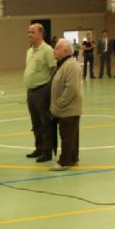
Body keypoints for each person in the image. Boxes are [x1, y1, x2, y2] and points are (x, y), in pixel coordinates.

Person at [24, 23, 56, 163]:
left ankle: (47, 152)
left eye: (32, 32)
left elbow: (54, 70)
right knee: (36, 123)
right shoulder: (30, 51)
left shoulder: (47, 50)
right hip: (31, 91)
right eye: (29, 32)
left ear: (40, 34)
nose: (29, 34)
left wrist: (49, 90)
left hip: (42, 91)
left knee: (45, 123)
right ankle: (39, 148)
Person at [49, 39, 83, 171]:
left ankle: (64, 162)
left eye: (57, 48)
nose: (54, 50)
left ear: (65, 51)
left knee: (67, 135)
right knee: (71, 135)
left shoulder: (71, 65)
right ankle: (72, 158)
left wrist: (59, 104)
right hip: (65, 108)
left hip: (68, 109)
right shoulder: (63, 64)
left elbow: (71, 89)